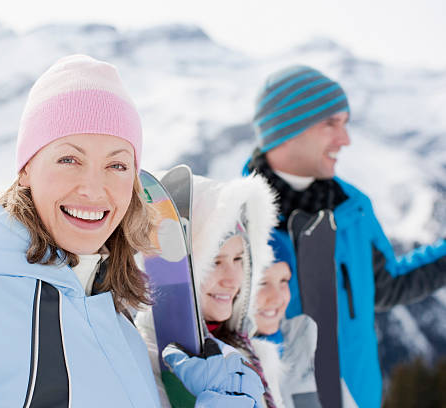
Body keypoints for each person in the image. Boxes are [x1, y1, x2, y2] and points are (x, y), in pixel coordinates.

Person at [0, 54, 266, 407]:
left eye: (117, 166)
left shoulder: (112, 316)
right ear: (26, 169)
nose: (93, 188)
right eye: (69, 159)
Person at [243, 65, 446, 408]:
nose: (345, 139)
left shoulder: (354, 209)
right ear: (288, 130)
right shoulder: (238, 220)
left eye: (345, 123)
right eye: (331, 123)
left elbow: (387, 285)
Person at [137, 174, 285, 408]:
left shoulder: (255, 357)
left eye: (238, 259)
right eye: (216, 261)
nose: (232, 279)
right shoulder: (141, 360)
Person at [256, 232, 320, 408]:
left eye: (284, 281)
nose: (276, 298)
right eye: (262, 282)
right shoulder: (224, 363)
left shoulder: (306, 344)